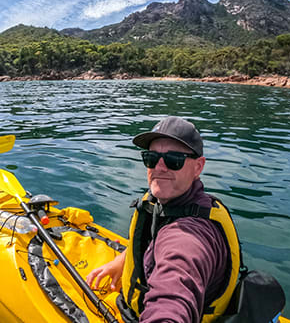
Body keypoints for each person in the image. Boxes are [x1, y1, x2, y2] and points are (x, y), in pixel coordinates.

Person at [86, 116, 241, 323]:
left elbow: (173, 296)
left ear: (198, 167)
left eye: (173, 159)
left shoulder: (188, 237)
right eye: (151, 158)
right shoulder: (168, 203)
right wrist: (121, 261)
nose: (159, 167)